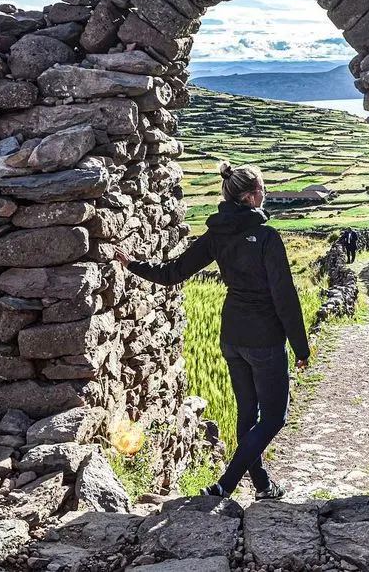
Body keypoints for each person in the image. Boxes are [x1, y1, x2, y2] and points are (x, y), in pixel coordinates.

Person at [114, 161, 309, 500]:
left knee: (248, 413)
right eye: (262, 189)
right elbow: (285, 298)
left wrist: (133, 264)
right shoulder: (266, 237)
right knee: (274, 417)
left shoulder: (217, 235)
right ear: (250, 197)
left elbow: (173, 272)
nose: (266, 194)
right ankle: (225, 484)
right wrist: (301, 348)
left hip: (232, 335)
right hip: (264, 339)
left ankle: (262, 484)